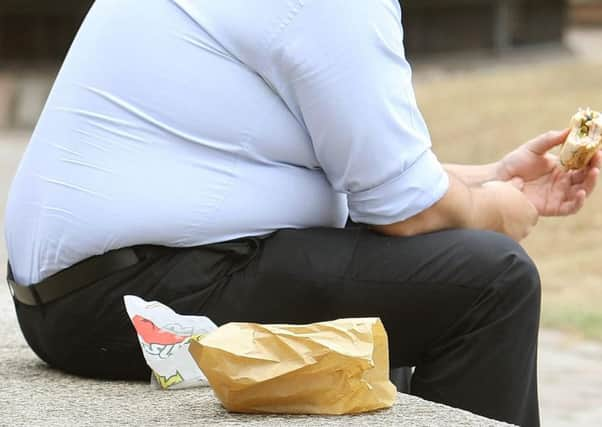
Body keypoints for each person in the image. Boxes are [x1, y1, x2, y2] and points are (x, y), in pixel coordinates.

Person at [4, 1, 600, 426]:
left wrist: (490, 179)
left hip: (75, 297)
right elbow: (403, 211)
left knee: (410, 270)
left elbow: (378, 179)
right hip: (138, 304)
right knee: (491, 277)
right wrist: (498, 212)